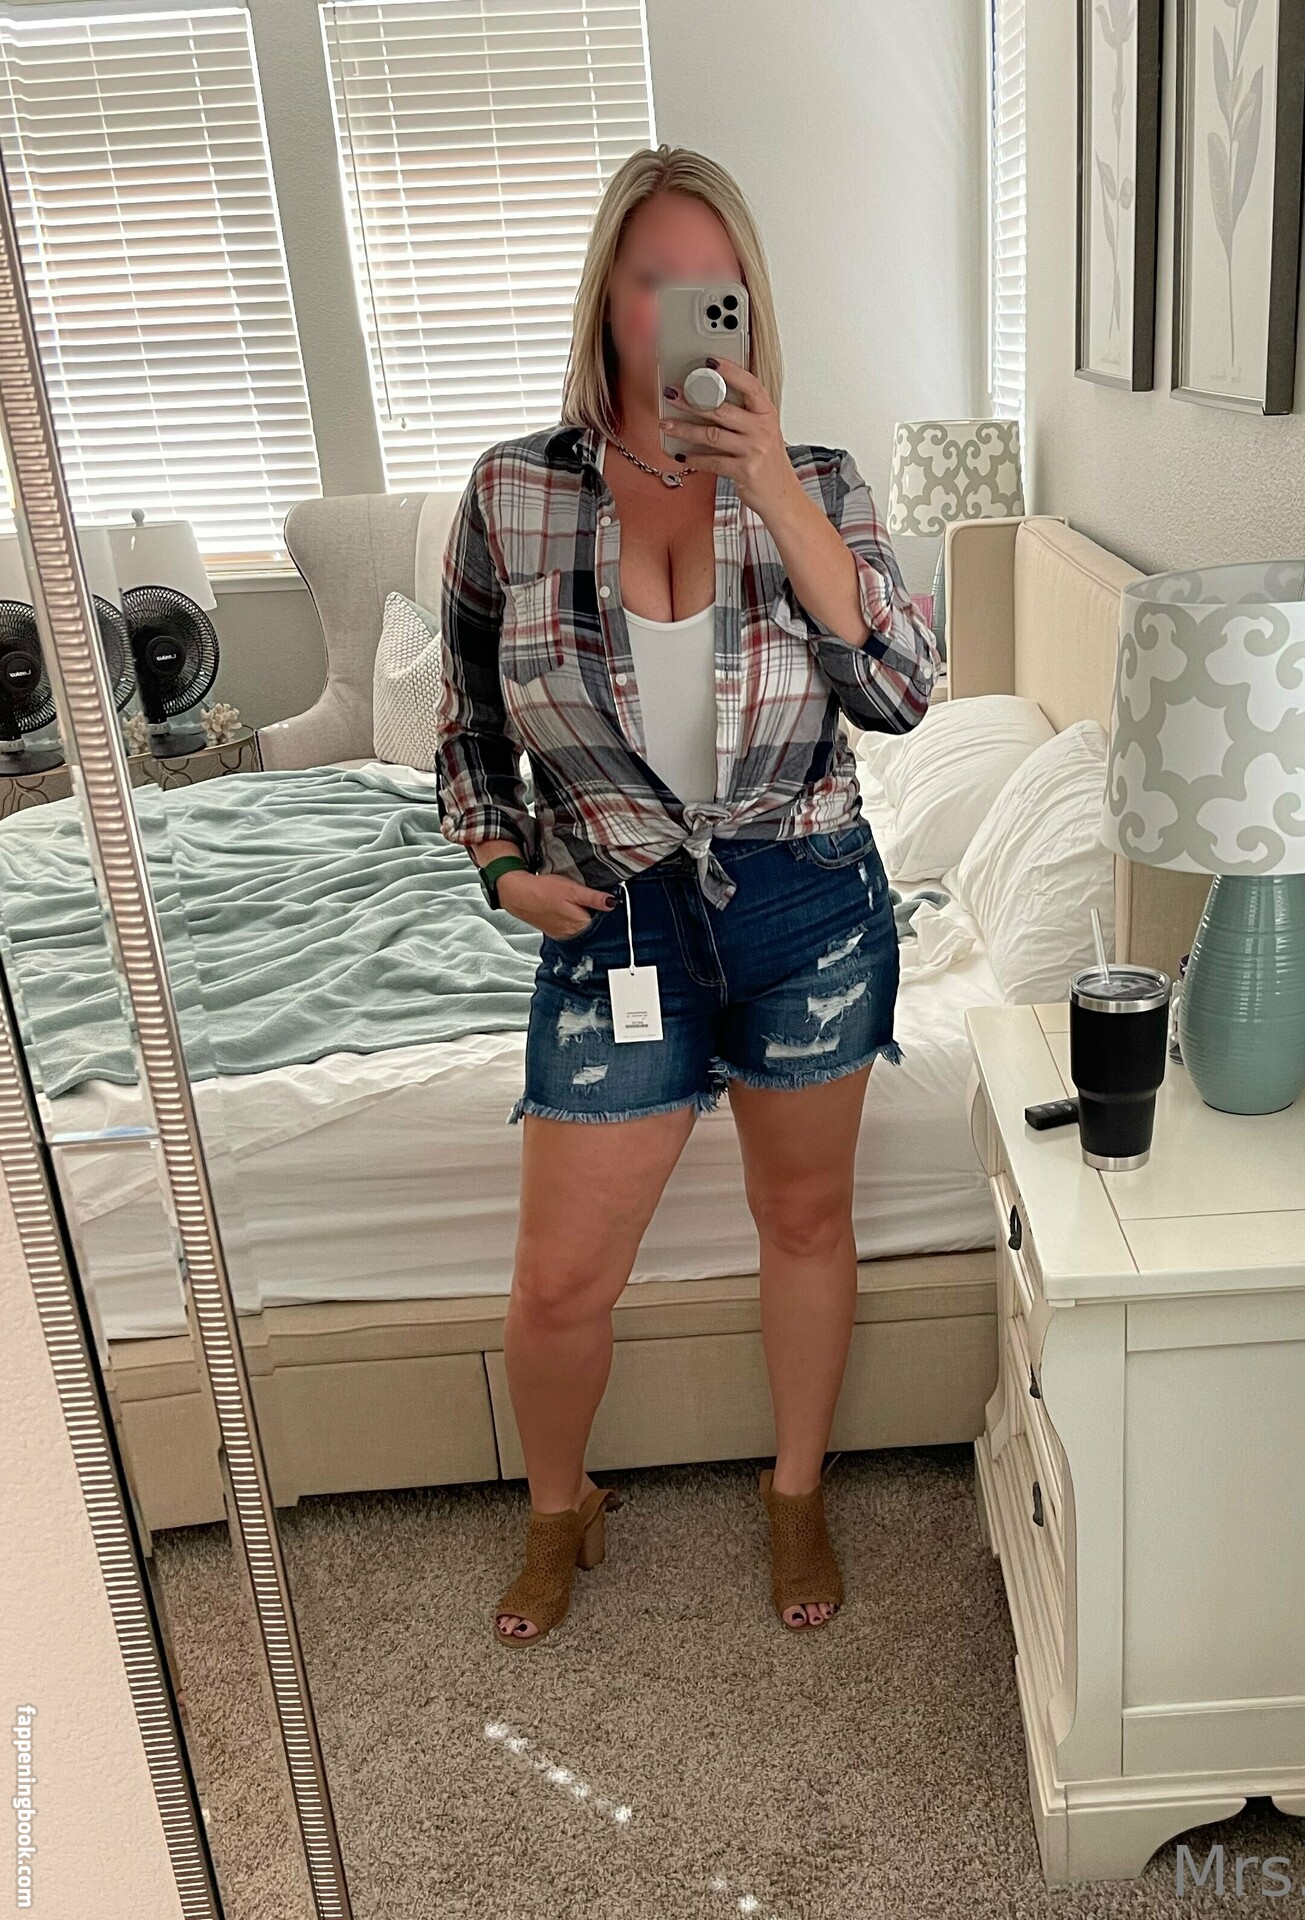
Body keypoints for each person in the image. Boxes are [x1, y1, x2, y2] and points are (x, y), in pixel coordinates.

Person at [436, 143, 940, 1646]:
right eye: (649, 277)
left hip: (807, 907)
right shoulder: (514, 492)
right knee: (558, 1282)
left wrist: (772, 488)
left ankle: (794, 1491)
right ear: (606, 296)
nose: (676, 308)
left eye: (706, 284)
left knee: (805, 1222)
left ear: (746, 305)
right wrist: (500, 869)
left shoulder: (820, 483)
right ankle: (559, 1509)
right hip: (615, 920)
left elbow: (902, 691)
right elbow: (467, 722)